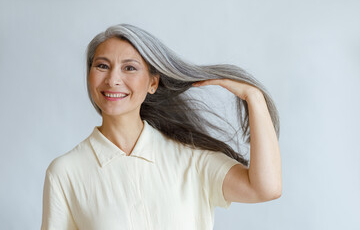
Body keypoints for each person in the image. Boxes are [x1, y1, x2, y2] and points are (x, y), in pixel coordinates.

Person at [41, 23, 282, 230]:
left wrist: (254, 97)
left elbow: (265, 189)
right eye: (102, 66)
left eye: (129, 67)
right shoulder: (65, 172)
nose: (113, 79)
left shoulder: (191, 159)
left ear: (153, 83)